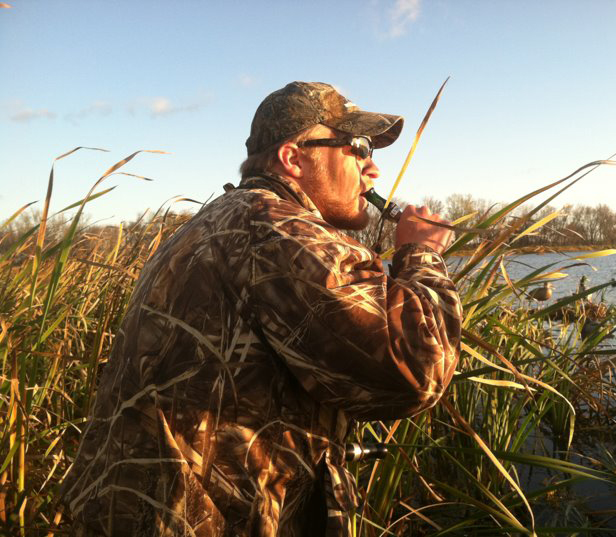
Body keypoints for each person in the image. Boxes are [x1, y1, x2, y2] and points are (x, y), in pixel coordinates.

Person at [62, 81, 463, 536]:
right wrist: (422, 255)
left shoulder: (220, 221)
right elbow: (413, 372)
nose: (372, 169)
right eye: (357, 147)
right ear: (293, 158)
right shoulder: (276, 228)